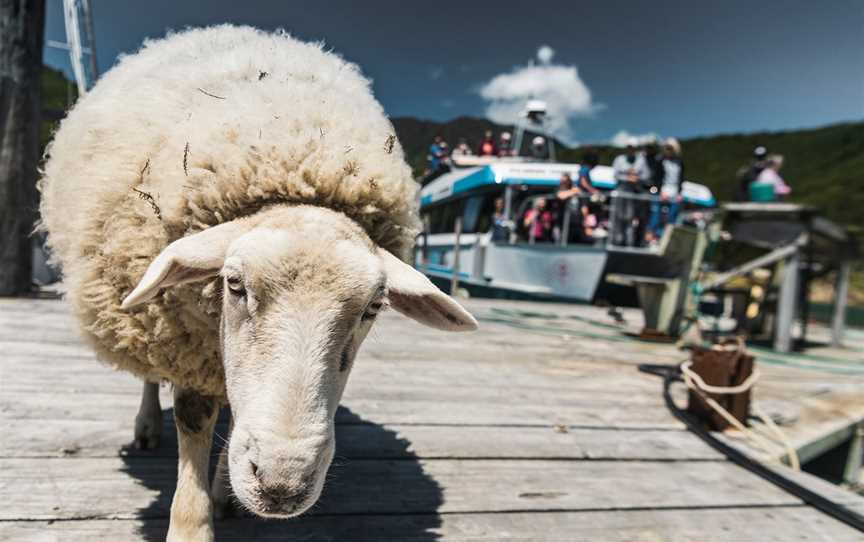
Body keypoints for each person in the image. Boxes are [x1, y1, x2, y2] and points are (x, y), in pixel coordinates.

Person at [611, 141, 648, 246]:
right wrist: (627, 177)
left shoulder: (641, 161)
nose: (630, 149)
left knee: (631, 218)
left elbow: (646, 176)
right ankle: (616, 241)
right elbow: (615, 175)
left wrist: (637, 178)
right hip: (620, 192)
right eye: (629, 147)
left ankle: (629, 243)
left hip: (634, 194)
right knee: (617, 217)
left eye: (633, 147)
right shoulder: (619, 159)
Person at [647, 138, 684, 241]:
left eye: (671, 148)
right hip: (662, 192)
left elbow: (681, 179)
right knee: (655, 214)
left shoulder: (679, 163)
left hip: (674, 193)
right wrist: (659, 191)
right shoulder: (660, 161)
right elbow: (656, 179)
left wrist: (679, 193)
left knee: (671, 217)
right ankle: (652, 235)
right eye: (667, 148)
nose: (668, 150)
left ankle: (665, 237)